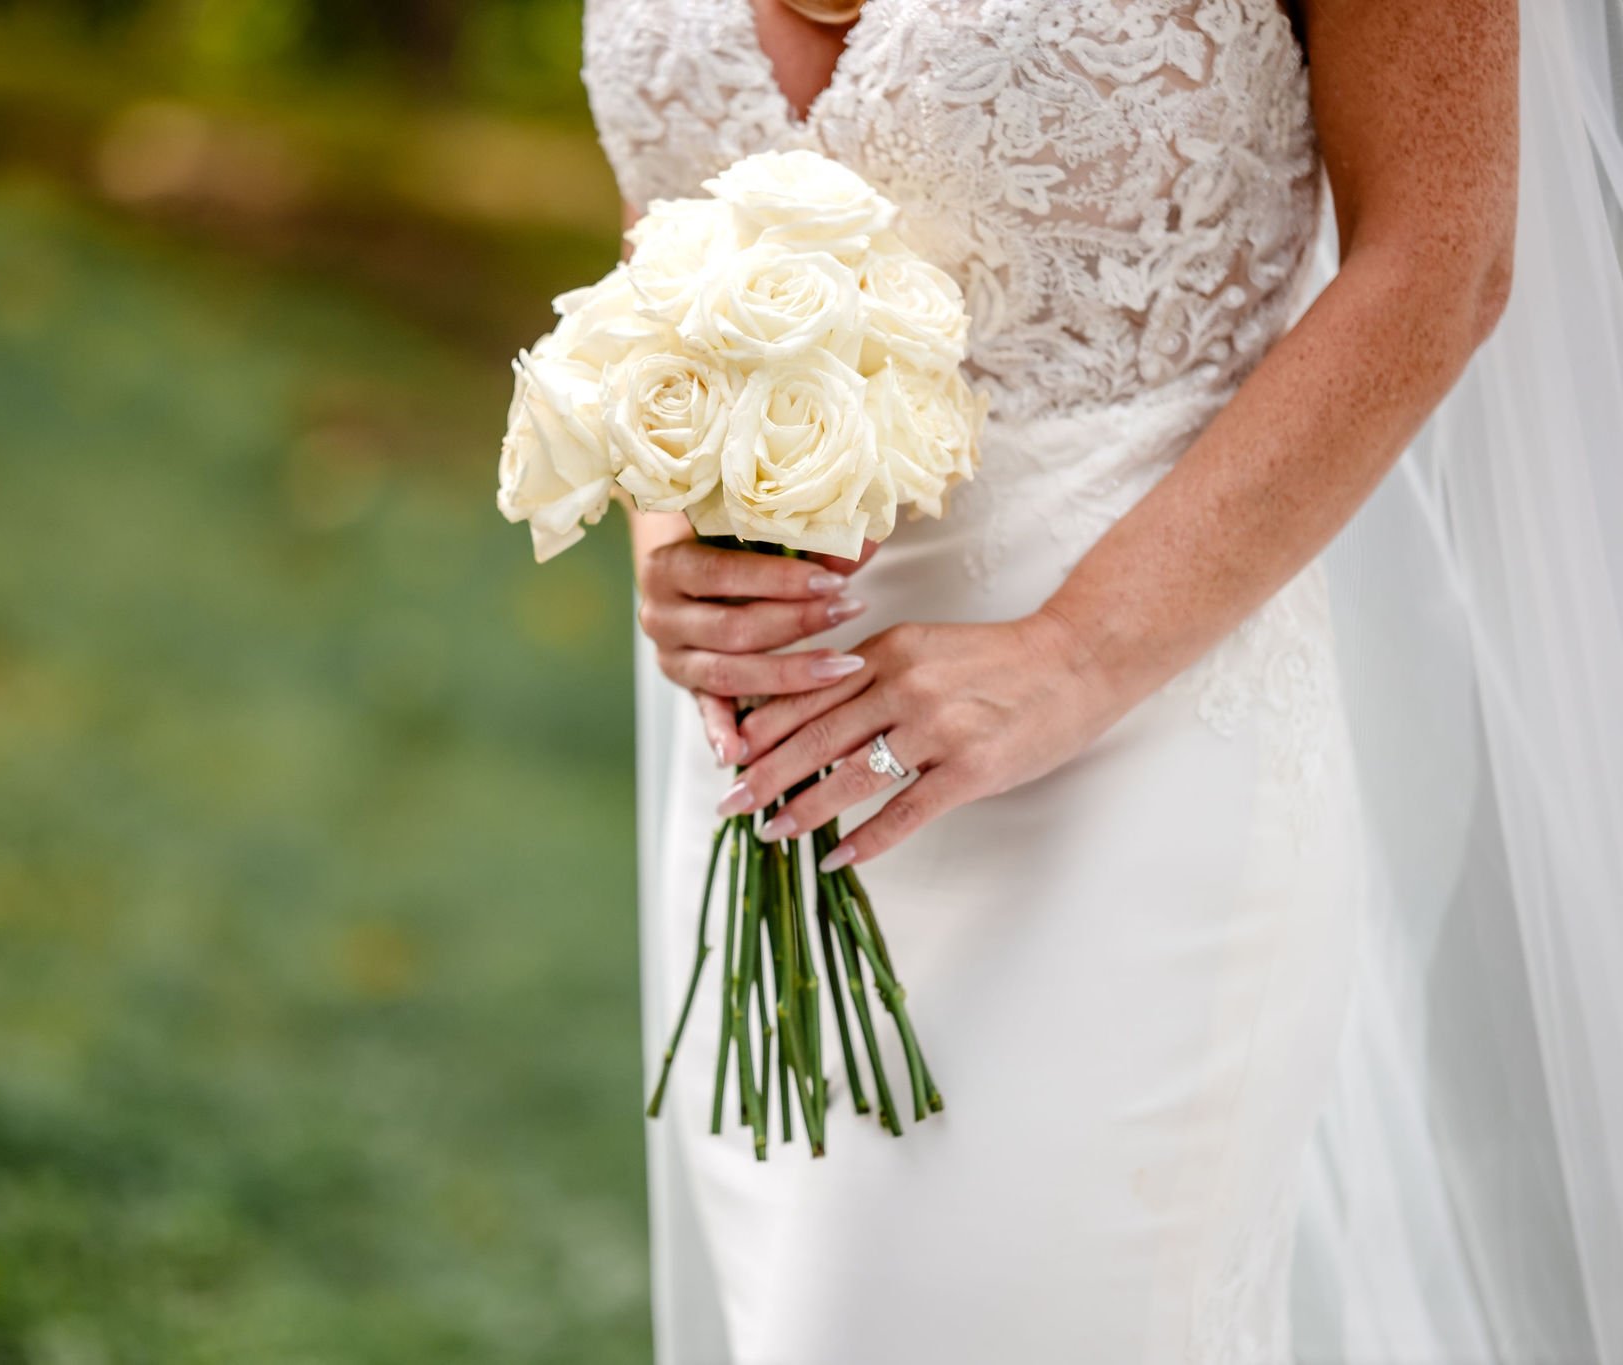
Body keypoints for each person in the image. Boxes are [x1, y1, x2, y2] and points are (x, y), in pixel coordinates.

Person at [585, 0, 1623, 1359]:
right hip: (775, 775)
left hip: (1134, 733)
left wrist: (1071, 653)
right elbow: (671, 221)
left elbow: (1444, 259)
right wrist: (683, 536)